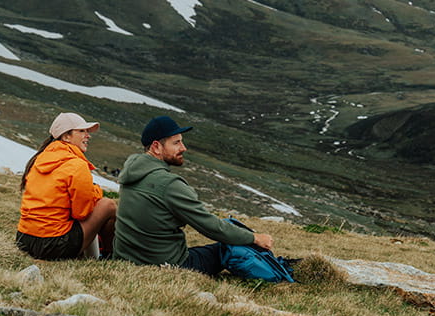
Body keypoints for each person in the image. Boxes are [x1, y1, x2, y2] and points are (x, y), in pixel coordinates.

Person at [113, 115, 274, 276]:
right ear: (156, 147)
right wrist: (254, 238)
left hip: (127, 260)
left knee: (215, 245)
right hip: (166, 266)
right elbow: (210, 226)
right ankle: (279, 275)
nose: (183, 148)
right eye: (176, 143)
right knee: (229, 247)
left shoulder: (132, 173)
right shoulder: (169, 184)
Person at [16, 112, 116, 260]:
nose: (87, 135)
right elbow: (81, 213)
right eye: (81, 131)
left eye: (87, 131)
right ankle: (108, 255)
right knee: (108, 205)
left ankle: (92, 254)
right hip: (52, 245)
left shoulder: (39, 159)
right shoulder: (76, 165)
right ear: (66, 136)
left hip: (24, 240)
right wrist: (95, 191)